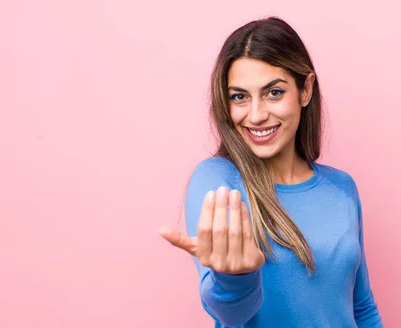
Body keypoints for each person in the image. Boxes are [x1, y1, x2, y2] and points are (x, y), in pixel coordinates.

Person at [159, 16, 384, 328]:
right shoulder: (218, 182)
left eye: (273, 92)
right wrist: (235, 278)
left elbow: (362, 309)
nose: (256, 115)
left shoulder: (342, 187)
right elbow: (229, 316)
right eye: (239, 96)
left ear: (305, 90)